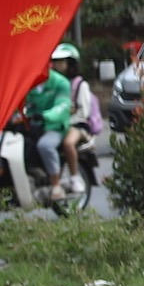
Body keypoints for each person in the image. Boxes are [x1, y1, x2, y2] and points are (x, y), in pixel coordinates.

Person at [54, 43, 102, 184]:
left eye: (61, 62)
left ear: (71, 63)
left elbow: (83, 112)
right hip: (59, 124)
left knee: (68, 143)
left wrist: (68, 114)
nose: (57, 65)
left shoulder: (81, 84)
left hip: (78, 125)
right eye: (55, 62)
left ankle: (75, 177)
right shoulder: (55, 84)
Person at [21, 61, 72, 187]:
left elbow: (62, 107)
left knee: (45, 146)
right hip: (34, 126)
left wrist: (45, 116)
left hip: (55, 126)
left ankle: (56, 184)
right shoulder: (29, 83)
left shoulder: (61, 83)